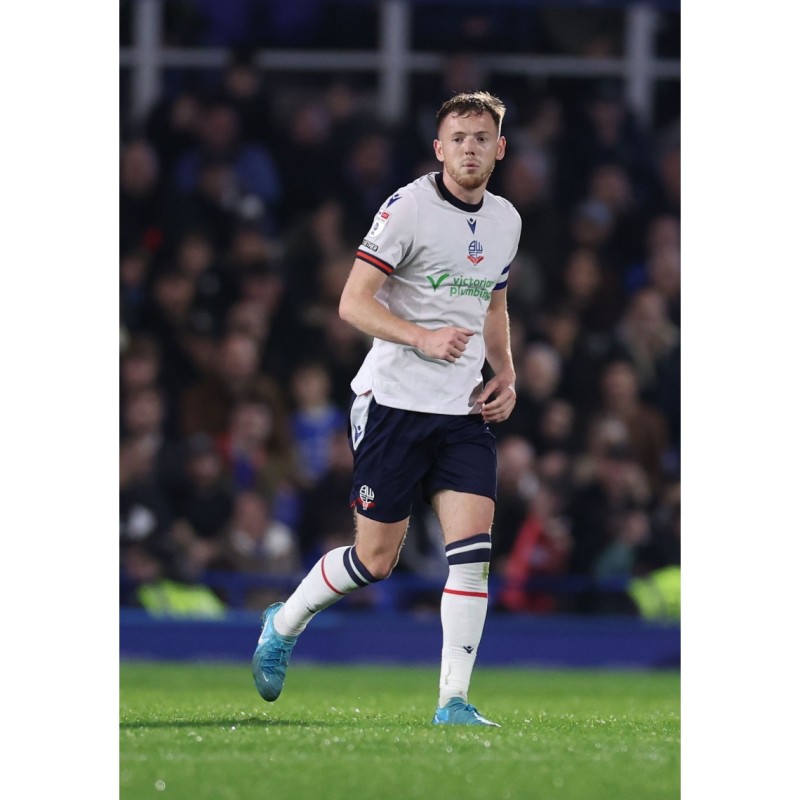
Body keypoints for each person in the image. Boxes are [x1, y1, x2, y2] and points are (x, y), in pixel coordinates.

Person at [251, 92, 521, 727]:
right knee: (374, 560)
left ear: (500, 147)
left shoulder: (507, 219)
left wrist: (505, 369)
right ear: (439, 147)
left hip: (461, 412)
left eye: (482, 137)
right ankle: (283, 621)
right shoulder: (407, 209)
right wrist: (422, 336)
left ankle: (452, 702)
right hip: (394, 403)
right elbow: (352, 302)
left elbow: (494, 306)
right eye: (458, 137)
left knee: (473, 552)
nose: (470, 148)